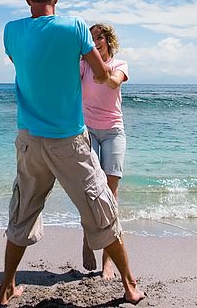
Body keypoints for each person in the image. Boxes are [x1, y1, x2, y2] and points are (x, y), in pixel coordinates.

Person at [0, 0, 144, 306]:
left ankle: (6, 288)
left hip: (29, 139)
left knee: (23, 209)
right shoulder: (75, 27)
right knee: (100, 205)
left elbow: (19, 62)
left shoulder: (11, 31)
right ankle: (130, 285)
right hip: (69, 141)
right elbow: (103, 74)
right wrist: (105, 74)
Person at [80, 22, 128, 279]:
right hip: (87, 130)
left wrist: (103, 71)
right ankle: (88, 240)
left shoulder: (120, 65)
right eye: (91, 38)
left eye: (99, 37)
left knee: (111, 193)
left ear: (108, 41)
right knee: (89, 189)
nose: (95, 41)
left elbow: (113, 82)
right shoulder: (83, 65)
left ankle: (107, 261)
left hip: (113, 132)